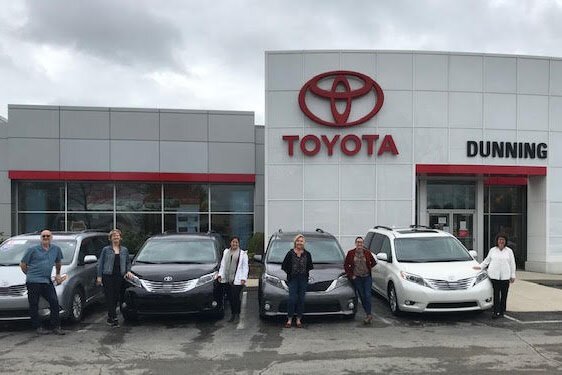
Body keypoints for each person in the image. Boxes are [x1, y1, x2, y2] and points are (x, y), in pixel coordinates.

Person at [20, 229, 66, 335]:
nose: (46, 238)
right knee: (34, 304)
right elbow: (23, 264)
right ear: (40, 238)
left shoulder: (56, 249)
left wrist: (58, 274)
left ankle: (56, 326)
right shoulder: (32, 249)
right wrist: (29, 274)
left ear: (51, 237)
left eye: (48, 236)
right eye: (43, 236)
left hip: (46, 280)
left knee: (54, 301)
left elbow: (58, 262)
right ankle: (38, 327)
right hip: (33, 281)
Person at [473, 233, 516, 319]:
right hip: (494, 276)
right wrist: (480, 267)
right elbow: (487, 260)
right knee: (496, 294)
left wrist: (512, 275)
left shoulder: (509, 251)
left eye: (503, 240)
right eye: (500, 240)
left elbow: (512, 264)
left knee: (504, 295)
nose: (501, 241)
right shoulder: (493, 250)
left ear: (505, 241)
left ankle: (502, 311)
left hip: (505, 277)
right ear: (497, 241)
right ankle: (495, 311)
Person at [96, 229, 133, 327]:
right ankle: (114, 318)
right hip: (108, 275)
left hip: (119, 276)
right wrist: (99, 276)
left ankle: (110, 316)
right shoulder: (106, 250)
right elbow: (100, 263)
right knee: (109, 297)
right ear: (110, 238)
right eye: (114, 236)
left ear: (120, 238)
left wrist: (128, 271)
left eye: (117, 236)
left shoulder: (124, 250)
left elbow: (128, 262)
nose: (116, 237)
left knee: (116, 297)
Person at [281, 234, 313, 328]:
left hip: (303, 279)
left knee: (301, 299)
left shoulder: (307, 254)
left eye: (301, 241)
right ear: (295, 242)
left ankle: (299, 319)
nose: (299, 242)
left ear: (304, 243)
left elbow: (309, 267)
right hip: (293, 279)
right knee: (292, 299)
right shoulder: (290, 253)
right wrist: (290, 273)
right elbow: (284, 266)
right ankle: (289, 319)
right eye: (298, 241)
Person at [344, 236, 377, 324]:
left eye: (361, 242)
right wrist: (351, 275)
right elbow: (346, 265)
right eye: (358, 242)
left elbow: (373, 262)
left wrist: (369, 268)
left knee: (367, 295)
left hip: (367, 277)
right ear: (355, 243)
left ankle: (369, 314)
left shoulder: (367, 253)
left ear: (363, 244)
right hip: (357, 278)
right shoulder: (350, 253)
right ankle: (367, 313)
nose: (359, 244)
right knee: (362, 296)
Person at [217, 236, 249, 323]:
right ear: (230, 243)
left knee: (235, 297)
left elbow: (245, 267)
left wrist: (243, 278)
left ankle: (237, 314)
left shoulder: (243, 254)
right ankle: (232, 314)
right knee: (230, 298)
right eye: (233, 242)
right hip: (227, 279)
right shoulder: (226, 252)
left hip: (237, 280)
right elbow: (223, 265)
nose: (234, 244)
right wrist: (220, 275)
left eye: (236, 242)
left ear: (238, 244)